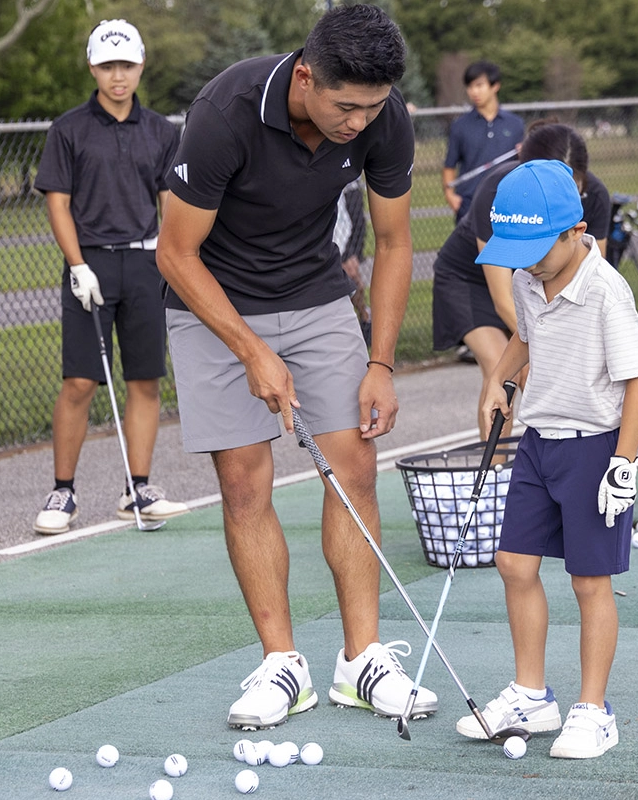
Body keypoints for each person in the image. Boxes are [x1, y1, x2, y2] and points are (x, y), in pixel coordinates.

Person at [155, 5, 435, 730]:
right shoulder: (226, 111)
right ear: (306, 76)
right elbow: (174, 253)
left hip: (316, 295)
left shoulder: (383, 116)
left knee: (355, 470)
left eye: (372, 108)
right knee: (245, 483)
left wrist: (381, 361)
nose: (358, 122)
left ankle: (362, 661)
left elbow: (396, 241)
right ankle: (283, 666)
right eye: (346, 106)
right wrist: (251, 351)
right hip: (212, 301)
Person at [460, 159, 638, 760]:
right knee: (514, 563)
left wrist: (625, 464)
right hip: (539, 444)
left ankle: (594, 710)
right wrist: (498, 380)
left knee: (589, 581)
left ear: (576, 230)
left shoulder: (606, 292)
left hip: (595, 448)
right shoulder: (526, 277)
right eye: (518, 250)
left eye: (538, 247)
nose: (528, 262)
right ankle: (530, 694)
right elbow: (527, 337)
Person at [32, 19, 188, 536]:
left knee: (145, 379)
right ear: (92, 67)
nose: (117, 76)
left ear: (141, 65)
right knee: (79, 381)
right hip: (90, 265)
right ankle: (63, 491)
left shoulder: (163, 132)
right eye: (107, 66)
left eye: (126, 65)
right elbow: (59, 203)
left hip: (146, 264)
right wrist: (77, 266)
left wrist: (173, 262)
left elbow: (171, 205)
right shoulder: (69, 129)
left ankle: (137, 488)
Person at [432, 121, 611, 441]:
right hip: (470, 282)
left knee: (549, 372)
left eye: (571, 186)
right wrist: (544, 348)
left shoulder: (595, 196)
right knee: (505, 368)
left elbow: (593, 279)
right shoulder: (497, 191)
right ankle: (495, 479)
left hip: (532, 278)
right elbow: (503, 297)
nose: (559, 194)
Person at [442, 61, 525, 222]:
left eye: (479, 85)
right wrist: (450, 196)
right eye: (470, 86)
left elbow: (523, 165)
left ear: (495, 86)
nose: (474, 92)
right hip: (469, 205)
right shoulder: (460, 126)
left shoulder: (516, 124)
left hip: (506, 205)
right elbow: (449, 166)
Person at [334, 177, 372, 346]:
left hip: (346, 222)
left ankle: (365, 318)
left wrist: (354, 249)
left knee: (352, 275)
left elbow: (357, 219)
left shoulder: (351, 183)